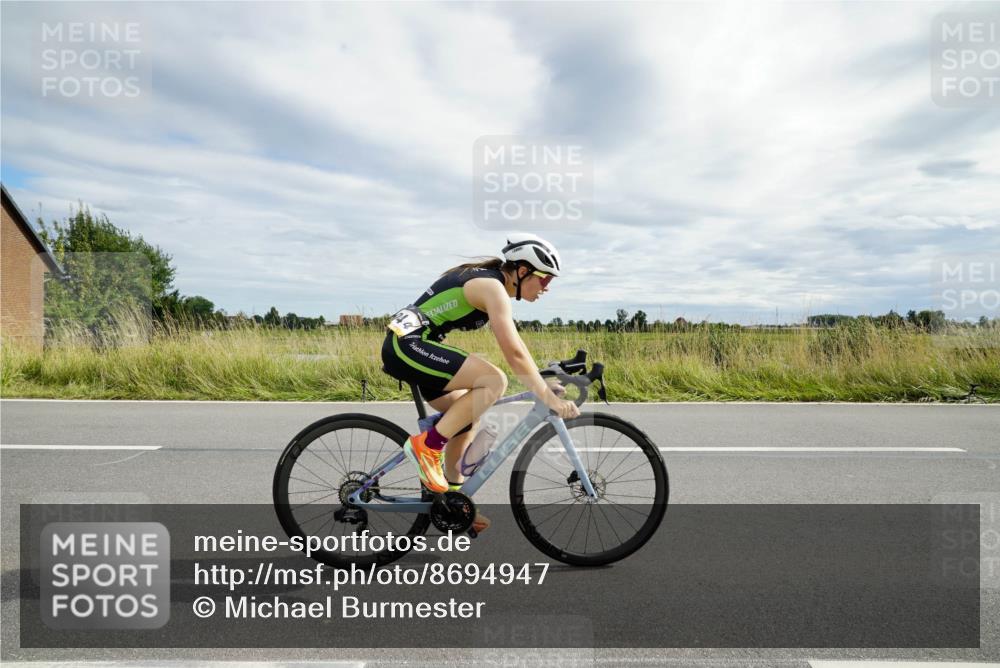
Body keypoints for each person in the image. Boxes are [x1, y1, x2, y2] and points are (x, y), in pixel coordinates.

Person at [381, 233, 581, 533]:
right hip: (408, 345)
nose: (546, 288)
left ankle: (451, 504)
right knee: (493, 379)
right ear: (522, 270)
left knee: (467, 416)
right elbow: (513, 352)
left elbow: (517, 351)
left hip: (414, 346)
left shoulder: (489, 282)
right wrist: (547, 397)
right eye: (544, 279)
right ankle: (427, 447)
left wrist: (540, 384)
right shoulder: (492, 287)